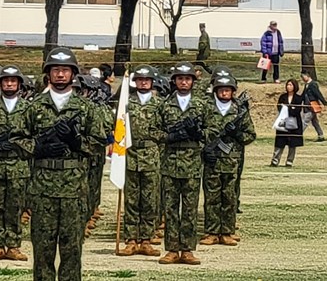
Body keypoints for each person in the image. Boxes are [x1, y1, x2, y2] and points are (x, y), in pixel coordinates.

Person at [22, 47, 110, 281]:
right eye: (55, 70)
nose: (60, 75)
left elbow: (100, 144)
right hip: (43, 189)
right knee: (42, 250)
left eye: (65, 70)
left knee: (72, 250)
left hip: (74, 189)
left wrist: (77, 141)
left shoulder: (87, 108)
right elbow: (16, 140)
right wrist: (38, 148)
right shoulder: (34, 107)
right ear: (47, 75)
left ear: (73, 74)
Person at [156, 62, 210, 265]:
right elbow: (154, 130)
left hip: (192, 163)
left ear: (193, 81)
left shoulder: (202, 105)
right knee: (170, 209)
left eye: (187, 79)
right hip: (169, 163)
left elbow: (211, 131)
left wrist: (199, 134)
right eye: (180, 78)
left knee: (189, 209)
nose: (184, 82)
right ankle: (171, 249)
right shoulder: (164, 105)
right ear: (174, 81)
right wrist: (168, 136)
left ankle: (187, 249)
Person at [0, 65, 31, 261]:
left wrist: (19, 144)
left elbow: (36, 136)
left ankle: (14, 245)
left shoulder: (28, 108)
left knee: (15, 207)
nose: (9, 84)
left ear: (19, 84)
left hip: (18, 165)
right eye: (6, 81)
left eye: (13, 81)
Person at [201, 72, 256, 245]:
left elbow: (250, 135)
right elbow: (198, 131)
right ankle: (211, 231)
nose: (224, 93)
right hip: (212, 160)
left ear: (233, 91)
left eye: (227, 90)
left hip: (232, 161)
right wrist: (206, 146)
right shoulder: (206, 108)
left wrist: (237, 134)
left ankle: (227, 231)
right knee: (212, 197)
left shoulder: (239, 111)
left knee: (229, 197)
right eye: (221, 90)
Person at [117, 66, 164, 258]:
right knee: (131, 200)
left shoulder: (160, 104)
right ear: (135, 82)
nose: (143, 82)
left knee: (150, 200)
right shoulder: (126, 104)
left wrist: (156, 138)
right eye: (140, 80)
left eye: (147, 80)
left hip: (151, 155)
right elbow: (119, 128)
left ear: (152, 82)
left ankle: (146, 239)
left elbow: (165, 129)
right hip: (130, 154)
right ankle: (130, 240)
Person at [271, 79, 305, 167]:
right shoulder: (283, 97)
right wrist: (290, 108)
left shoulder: (298, 98)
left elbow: (297, 110)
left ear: (295, 86)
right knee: (280, 141)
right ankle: (275, 160)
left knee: (292, 143)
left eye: (290, 85)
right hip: (283, 121)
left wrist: (288, 109)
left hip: (294, 123)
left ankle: (289, 161)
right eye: (287, 85)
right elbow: (279, 107)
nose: (288, 87)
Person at [300, 69, 327, 141]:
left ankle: (298, 135)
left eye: (303, 76)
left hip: (312, 106)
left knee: (305, 121)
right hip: (308, 106)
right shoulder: (307, 85)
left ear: (307, 76)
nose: (302, 78)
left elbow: (318, 94)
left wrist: (324, 102)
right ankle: (321, 135)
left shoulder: (313, 84)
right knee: (315, 122)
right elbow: (303, 95)